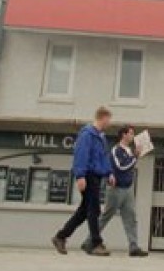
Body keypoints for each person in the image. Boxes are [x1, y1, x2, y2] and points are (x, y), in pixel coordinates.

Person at [51, 107, 113, 256]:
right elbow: (81, 155)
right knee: (94, 209)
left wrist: (109, 173)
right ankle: (95, 243)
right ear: (103, 117)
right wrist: (80, 176)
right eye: (109, 119)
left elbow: (104, 158)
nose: (110, 123)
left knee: (84, 211)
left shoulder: (101, 137)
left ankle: (61, 236)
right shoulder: (87, 135)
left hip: (96, 176)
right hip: (89, 175)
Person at [81, 125, 149, 257]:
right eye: (130, 133)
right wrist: (135, 157)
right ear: (123, 135)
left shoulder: (129, 150)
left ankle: (133, 246)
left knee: (131, 218)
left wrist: (135, 156)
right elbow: (121, 167)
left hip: (128, 189)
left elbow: (130, 166)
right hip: (115, 189)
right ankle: (89, 241)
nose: (133, 136)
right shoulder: (116, 150)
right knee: (106, 216)